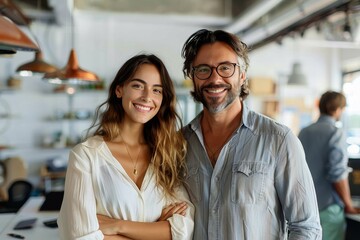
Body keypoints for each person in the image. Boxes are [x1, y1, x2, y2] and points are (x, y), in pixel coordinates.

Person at [180, 29, 322, 239]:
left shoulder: (279, 140)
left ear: (242, 74)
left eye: (226, 68)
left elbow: (306, 227)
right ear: (193, 76)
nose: (215, 78)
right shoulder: (178, 144)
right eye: (203, 69)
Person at [58, 54, 194, 240]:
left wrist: (117, 226)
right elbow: (81, 236)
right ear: (119, 90)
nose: (147, 97)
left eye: (157, 90)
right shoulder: (86, 156)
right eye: (138, 86)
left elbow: (184, 229)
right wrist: (155, 231)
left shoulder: (169, 152)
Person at [298, 90, 360, 240]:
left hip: (305, 207)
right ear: (337, 109)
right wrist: (348, 205)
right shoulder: (335, 133)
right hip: (328, 207)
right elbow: (337, 174)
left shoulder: (304, 132)